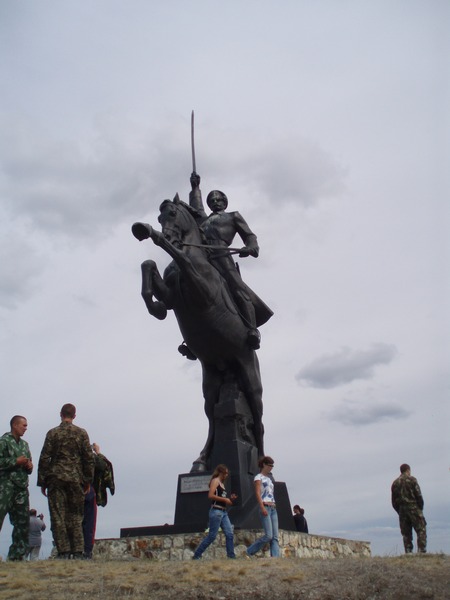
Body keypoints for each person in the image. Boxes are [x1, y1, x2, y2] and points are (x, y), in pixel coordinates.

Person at [188, 172, 273, 350]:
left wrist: (251, 246)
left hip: (222, 254)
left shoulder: (233, 216)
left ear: (225, 202)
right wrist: (195, 189)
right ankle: (191, 338)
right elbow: (196, 209)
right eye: (211, 200)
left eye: (218, 199)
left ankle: (252, 329)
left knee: (237, 287)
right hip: (204, 256)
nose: (215, 202)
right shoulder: (204, 220)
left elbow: (250, 235)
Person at [37, 403, 94, 559]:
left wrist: (42, 481)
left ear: (60, 414)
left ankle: (63, 551)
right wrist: (87, 480)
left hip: (56, 479)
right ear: (74, 416)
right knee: (76, 515)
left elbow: (44, 457)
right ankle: (77, 551)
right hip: (76, 479)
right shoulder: (81, 434)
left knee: (58, 515)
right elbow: (89, 459)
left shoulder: (52, 433)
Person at [0, 416, 33, 561]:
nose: (25, 428)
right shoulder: (4, 442)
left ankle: (17, 556)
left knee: (22, 522)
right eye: (23, 425)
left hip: (21, 488)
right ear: (14, 425)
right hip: (5, 487)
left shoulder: (25, 445)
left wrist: (29, 466)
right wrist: (15, 461)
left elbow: (29, 465)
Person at [192, 464, 237, 559]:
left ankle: (231, 555)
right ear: (221, 472)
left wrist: (230, 499)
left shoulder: (222, 484)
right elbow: (211, 495)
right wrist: (225, 500)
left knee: (229, 534)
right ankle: (197, 555)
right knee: (212, 536)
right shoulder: (215, 481)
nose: (226, 475)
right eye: (225, 473)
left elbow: (221, 498)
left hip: (224, 512)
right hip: (216, 511)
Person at [82, 443, 115, 559]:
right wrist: (98, 452)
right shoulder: (90, 456)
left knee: (75, 522)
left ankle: (74, 550)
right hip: (88, 492)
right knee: (89, 523)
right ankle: (86, 551)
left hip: (71, 491)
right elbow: (103, 465)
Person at [246, 456, 280, 558]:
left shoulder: (269, 479)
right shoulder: (258, 477)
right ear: (264, 464)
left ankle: (275, 557)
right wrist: (262, 507)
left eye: (272, 466)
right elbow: (257, 493)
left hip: (273, 507)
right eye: (270, 465)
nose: (271, 468)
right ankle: (249, 551)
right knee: (268, 535)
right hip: (265, 506)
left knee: (275, 536)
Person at [391, 463, 427, 554]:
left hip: (402, 510)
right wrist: (420, 508)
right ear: (408, 470)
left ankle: (408, 551)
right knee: (421, 529)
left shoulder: (395, 483)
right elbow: (418, 495)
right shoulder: (412, 480)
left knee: (406, 533)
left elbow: (393, 501)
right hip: (414, 507)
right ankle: (421, 551)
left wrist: (399, 511)